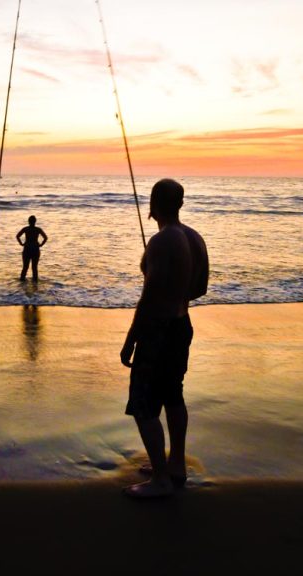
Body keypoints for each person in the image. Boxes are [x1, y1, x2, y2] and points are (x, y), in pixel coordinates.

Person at [120, 178, 209, 498]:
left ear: (153, 204)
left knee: (144, 405)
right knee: (173, 395)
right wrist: (176, 293)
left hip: (157, 330)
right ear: (181, 203)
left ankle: (160, 480)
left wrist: (132, 337)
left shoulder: (161, 241)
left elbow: (148, 297)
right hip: (181, 325)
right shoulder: (194, 238)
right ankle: (175, 466)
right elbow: (200, 289)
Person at [16, 215, 48, 281]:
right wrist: (41, 244)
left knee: (25, 267)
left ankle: (22, 281)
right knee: (34, 267)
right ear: (35, 221)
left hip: (27, 248)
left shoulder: (26, 229)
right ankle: (35, 283)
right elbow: (45, 238)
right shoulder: (38, 229)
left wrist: (21, 243)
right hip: (35, 249)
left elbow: (17, 236)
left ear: (28, 221)